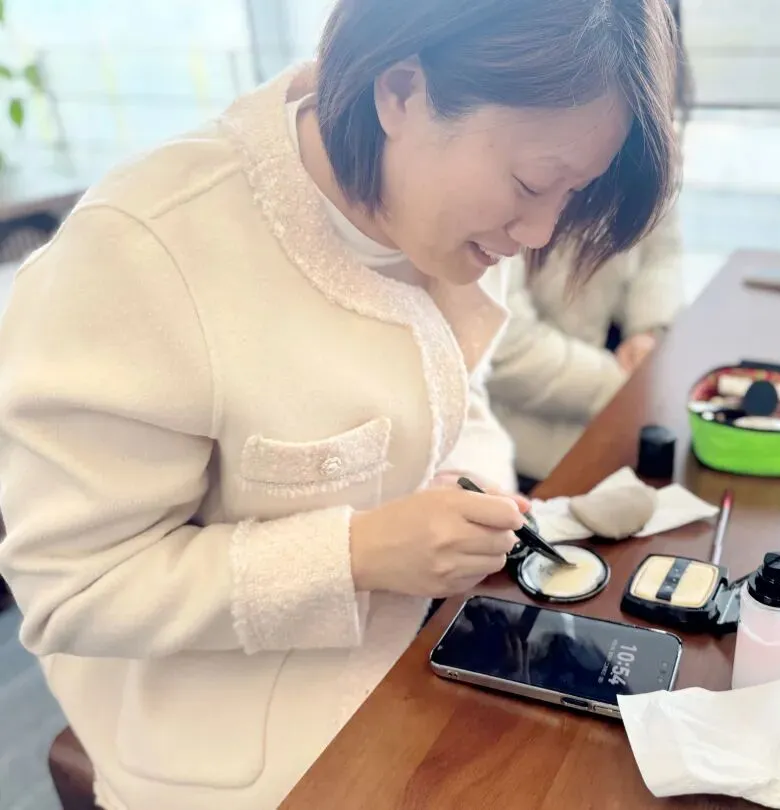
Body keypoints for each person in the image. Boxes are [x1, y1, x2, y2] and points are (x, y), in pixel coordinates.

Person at [0, 1, 680, 808]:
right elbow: (76, 591)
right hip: (231, 740)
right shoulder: (141, 257)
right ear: (402, 92)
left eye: (572, 193)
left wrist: (474, 484)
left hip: (417, 651)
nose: (538, 232)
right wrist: (354, 555)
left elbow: (456, 391)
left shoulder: (450, 211)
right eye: (533, 183)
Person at [487, 13, 692, 485]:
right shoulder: (529, 123)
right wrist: (620, 384)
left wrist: (650, 332)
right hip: (524, 443)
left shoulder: (643, 122)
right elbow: (502, 343)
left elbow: (662, 252)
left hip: (617, 411)